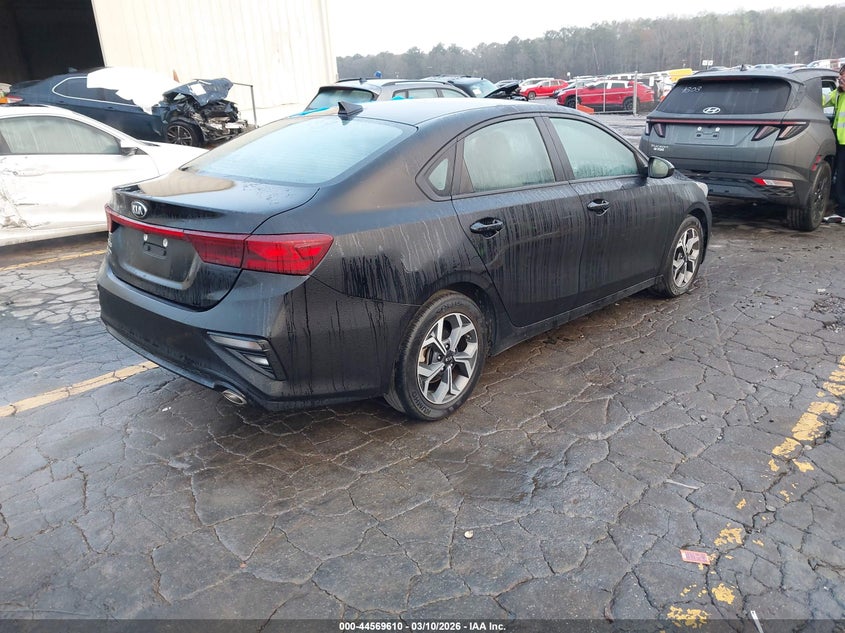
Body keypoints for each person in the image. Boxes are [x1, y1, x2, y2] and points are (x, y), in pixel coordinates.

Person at [824, 64, 845, 217]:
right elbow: (822, 100)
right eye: (840, 75)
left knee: (842, 177)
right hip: (839, 140)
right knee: (837, 175)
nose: (840, 78)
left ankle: (842, 212)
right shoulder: (838, 94)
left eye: (843, 76)